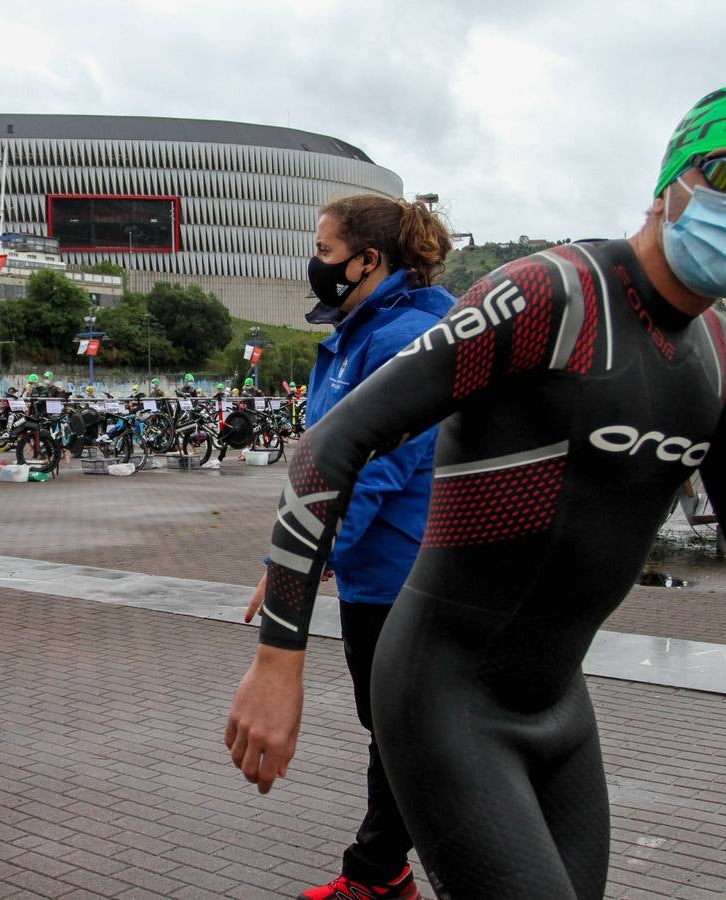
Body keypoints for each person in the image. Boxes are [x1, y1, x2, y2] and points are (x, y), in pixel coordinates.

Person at [225, 83, 726, 899]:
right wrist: (276, 662)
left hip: (556, 706)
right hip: (441, 691)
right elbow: (332, 447)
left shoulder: (720, 355)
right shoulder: (551, 293)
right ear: (670, 183)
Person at [242, 195, 455, 900]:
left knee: (406, 736)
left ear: (369, 259)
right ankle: (383, 874)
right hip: (370, 577)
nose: (315, 262)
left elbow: (375, 469)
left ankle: (379, 875)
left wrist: (299, 564)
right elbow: (322, 463)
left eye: (325, 249)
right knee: (390, 730)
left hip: (405, 576)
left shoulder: (407, 340)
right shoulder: (356, 334)